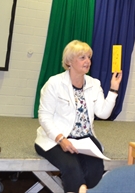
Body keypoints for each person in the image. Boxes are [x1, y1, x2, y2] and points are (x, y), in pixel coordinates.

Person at [34, 40, 122, 193]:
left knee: (96, 168)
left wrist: (114, 89)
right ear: (69, 61)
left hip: (85, 139)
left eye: (88, 57)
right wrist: (61, 139)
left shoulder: (94, 84)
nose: (87, 61)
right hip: (56, 139)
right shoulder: (54, 83)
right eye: (82, 57)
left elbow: (103, 113)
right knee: (71, 167)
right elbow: (44, 116)